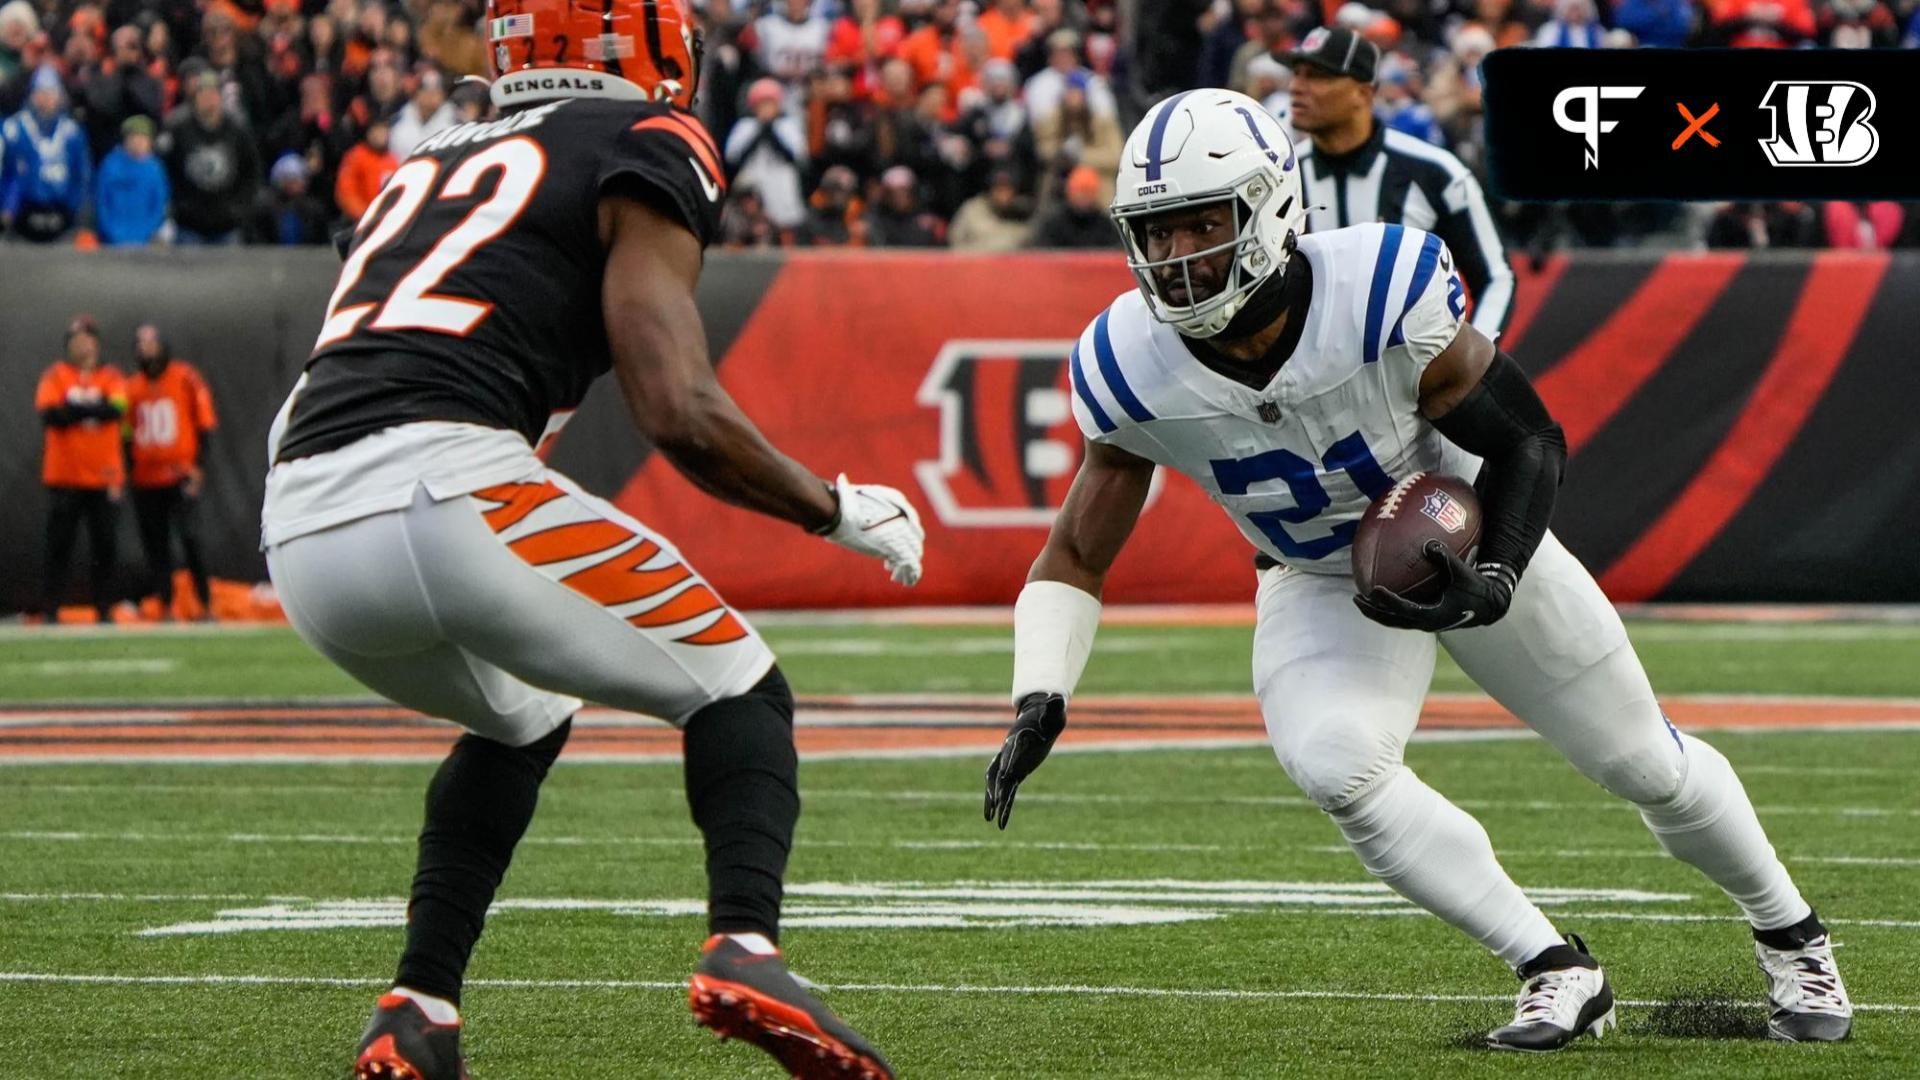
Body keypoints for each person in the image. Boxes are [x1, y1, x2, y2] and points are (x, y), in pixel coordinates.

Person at [984, 88, 1853, 1053]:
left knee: (1640, 760)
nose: (1179, 254)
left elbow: (1529, 437)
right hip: (1316, 574)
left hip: (1462, 525)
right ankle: (1554, 967)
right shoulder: (1124, 361)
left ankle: (1792, 933)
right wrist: (1040, 692)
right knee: (1335, 765)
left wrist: (1502, 572)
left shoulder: (1380, 285)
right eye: (1156, 229)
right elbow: (1076, 548)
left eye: (1203, 220)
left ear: (1273, 208)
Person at [259, 2, 915, 1076]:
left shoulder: (421, 156)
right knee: (739, 685)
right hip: (442, 482)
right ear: (635, 43)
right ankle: (747, 945)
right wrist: (832, 508)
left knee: (522, 718)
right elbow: (676, 407)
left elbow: (315, 394)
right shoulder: (646, 138)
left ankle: (418, 1007)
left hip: (302, 528)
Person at [1286, 28, 1515, 337]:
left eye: (1317, 76)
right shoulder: (1280, 176)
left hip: (1408, 379)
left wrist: (1475, 365)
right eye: (1296, 73)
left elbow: (1496, 278)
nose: (1296, 87)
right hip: (1307, 381)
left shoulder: (1435, 171)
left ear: (1363, 93)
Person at [35, 316, 127, 624]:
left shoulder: (111, 376)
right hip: (65, 476)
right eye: (75, 340)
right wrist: (93, 409)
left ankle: (104, 609)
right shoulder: (56, 375)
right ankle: (50, 610)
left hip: (103, 477)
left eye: (86, 339)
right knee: (58, 546)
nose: (80, 345)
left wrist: (75, 410)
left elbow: (116, 409)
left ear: (96, 343)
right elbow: (50, 415)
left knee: (105, 547)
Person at [125, 324, 217, 619]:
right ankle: (165, 605)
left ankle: (204, 604)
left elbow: (205, 425)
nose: (146, 349)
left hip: (180, 475)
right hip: (146, 479)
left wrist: (198, 469)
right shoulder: (131, 387)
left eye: (151, 343)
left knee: (191, 540)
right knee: (156, 546)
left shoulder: (185, 377)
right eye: (141, 344)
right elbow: (125, 434)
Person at [159, 70, 260, 245]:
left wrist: (239, 209)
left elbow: (251, 171)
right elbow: (166, 170)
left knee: (229, 271)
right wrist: (180, 206)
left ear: (220, 97)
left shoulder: (237, 130)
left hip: (227, 224)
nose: (208, 99)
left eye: (213, 93)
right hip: (189, 225)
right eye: (203, 93)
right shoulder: (179, 129)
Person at [1, 65, 91, 242]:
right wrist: (7, 205)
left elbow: (81, 173)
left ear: (59, 96)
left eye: (51, 92)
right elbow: (7, 172)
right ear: (32, 95)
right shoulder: (14, 129)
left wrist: (75, 208)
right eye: (41, 92)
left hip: (61, 213)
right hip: (22, 214)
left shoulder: (72, 132)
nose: (46, 98)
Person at [93, 114, 169, 245]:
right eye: (133, 138)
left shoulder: (155, 169)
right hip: (112, 239)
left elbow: (159, 205)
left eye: (142, 138)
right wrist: (111, 232)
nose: (138, 143)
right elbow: (101, 201)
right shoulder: (110, 165)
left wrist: (147, 232)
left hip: (145, 240)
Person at [1027, 163, 1112, 248]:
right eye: (1080, 191)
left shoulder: (1106, 226)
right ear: (1069, 192)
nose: (1083, 197)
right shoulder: (1053, 223)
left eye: (1088, 191)